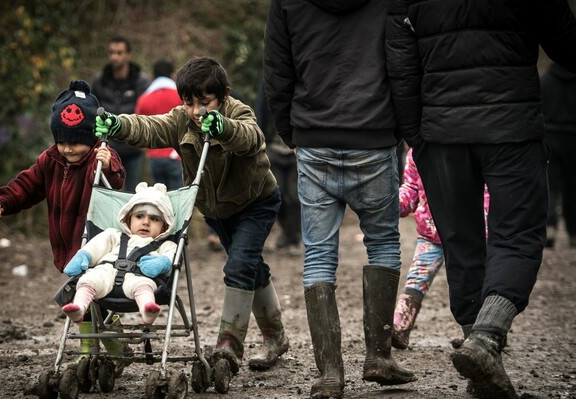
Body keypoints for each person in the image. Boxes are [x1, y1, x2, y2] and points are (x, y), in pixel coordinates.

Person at [385, 0, 576, 397]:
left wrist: (415, 135)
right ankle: (486, 340)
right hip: (511, 127)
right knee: (517, 236)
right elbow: (567, 45)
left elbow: (400, 61)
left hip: (440, 131)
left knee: (460, 241)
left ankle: (481, 353)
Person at [94, 56, 290, 373]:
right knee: (250, 266)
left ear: (223, 94)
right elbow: (150, 127)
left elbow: (251, 137)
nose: (197, 111)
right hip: (216, 210)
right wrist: (120, 124)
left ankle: (228, 346)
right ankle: (275, 336)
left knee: (239, 266)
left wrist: (224, 128)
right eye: (188, 103)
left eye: (205, 102)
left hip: (255, 202)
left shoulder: (238, 112)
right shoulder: (182, 120)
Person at [264, 1, 417, 398]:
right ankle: (378, 357)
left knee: (318, 255)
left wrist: (292, 133)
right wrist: (399, 129)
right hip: (374, 133)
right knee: (383, 243)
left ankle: (330, 374)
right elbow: (401, 63)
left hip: (314, 137)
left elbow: (278, 71)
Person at [0, 80, 128, 368]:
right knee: (84, 298)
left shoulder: (97, 159)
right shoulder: (50, 160)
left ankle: (94, 352)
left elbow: (114, 182)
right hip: (67, 248)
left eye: (75, 141)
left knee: (82, 296)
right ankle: (117, 347)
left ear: (90, 138)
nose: (68, 148)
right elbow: (27, 185)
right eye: (62, 141)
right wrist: (5, 200)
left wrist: (109, 163)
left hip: (96, 246)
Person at [392, 148, 490, 350]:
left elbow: (487, 192)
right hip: (432, 232)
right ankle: (399, 328)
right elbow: (410, 190)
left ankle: (481, 334)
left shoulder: (472, 150)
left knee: (475, 282)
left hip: (470, 235)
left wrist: (487, 222)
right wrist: (390, 203)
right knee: (416, 281)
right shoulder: (417, 153)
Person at [62, 182, 177, 326]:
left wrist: (161, 263)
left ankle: (148, 310)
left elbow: (169, 259)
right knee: (88, 280)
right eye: (139, 216)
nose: (146, 222)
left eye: (154, 219)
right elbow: (95, 247)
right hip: (105, 272)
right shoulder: (113, 235)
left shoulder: (166, 244)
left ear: (165, 226)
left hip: (138, 276)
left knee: (144, 286)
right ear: (128, 220)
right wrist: (83, 256)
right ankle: (79, 307)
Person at [92, 35, 150, 192]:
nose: (114, 57)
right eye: (111, 52)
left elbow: (146, 113)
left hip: (132, 147)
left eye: (119, 52)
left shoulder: (141, 82)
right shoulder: (100, 81)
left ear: (128, 54)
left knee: (132, 195)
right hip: (107, 148)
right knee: (107, 193)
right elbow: (92, 111)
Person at [255, 80, 300, 251]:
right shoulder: (267, 82)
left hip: (297, 149)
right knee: (277, 194)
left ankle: (294, 237)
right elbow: (260, 112)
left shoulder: (302, 80)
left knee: (296, 196)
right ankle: (288, 233)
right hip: (273, 148)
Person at [540, 62, 576, 249]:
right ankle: (573, 231)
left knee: (551, 186)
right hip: (573, 139)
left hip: (550, 139)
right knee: (572, 187)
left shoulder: (545, 80)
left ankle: (550, 225)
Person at [135, 59, 184, 190]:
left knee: (161, 199)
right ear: (172, 75)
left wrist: (148, 151)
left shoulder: (144, 99)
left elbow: (139, 129)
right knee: (178, 198)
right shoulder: (181, 96)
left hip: (154, 158)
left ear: (153, 76)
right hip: (176, 156)